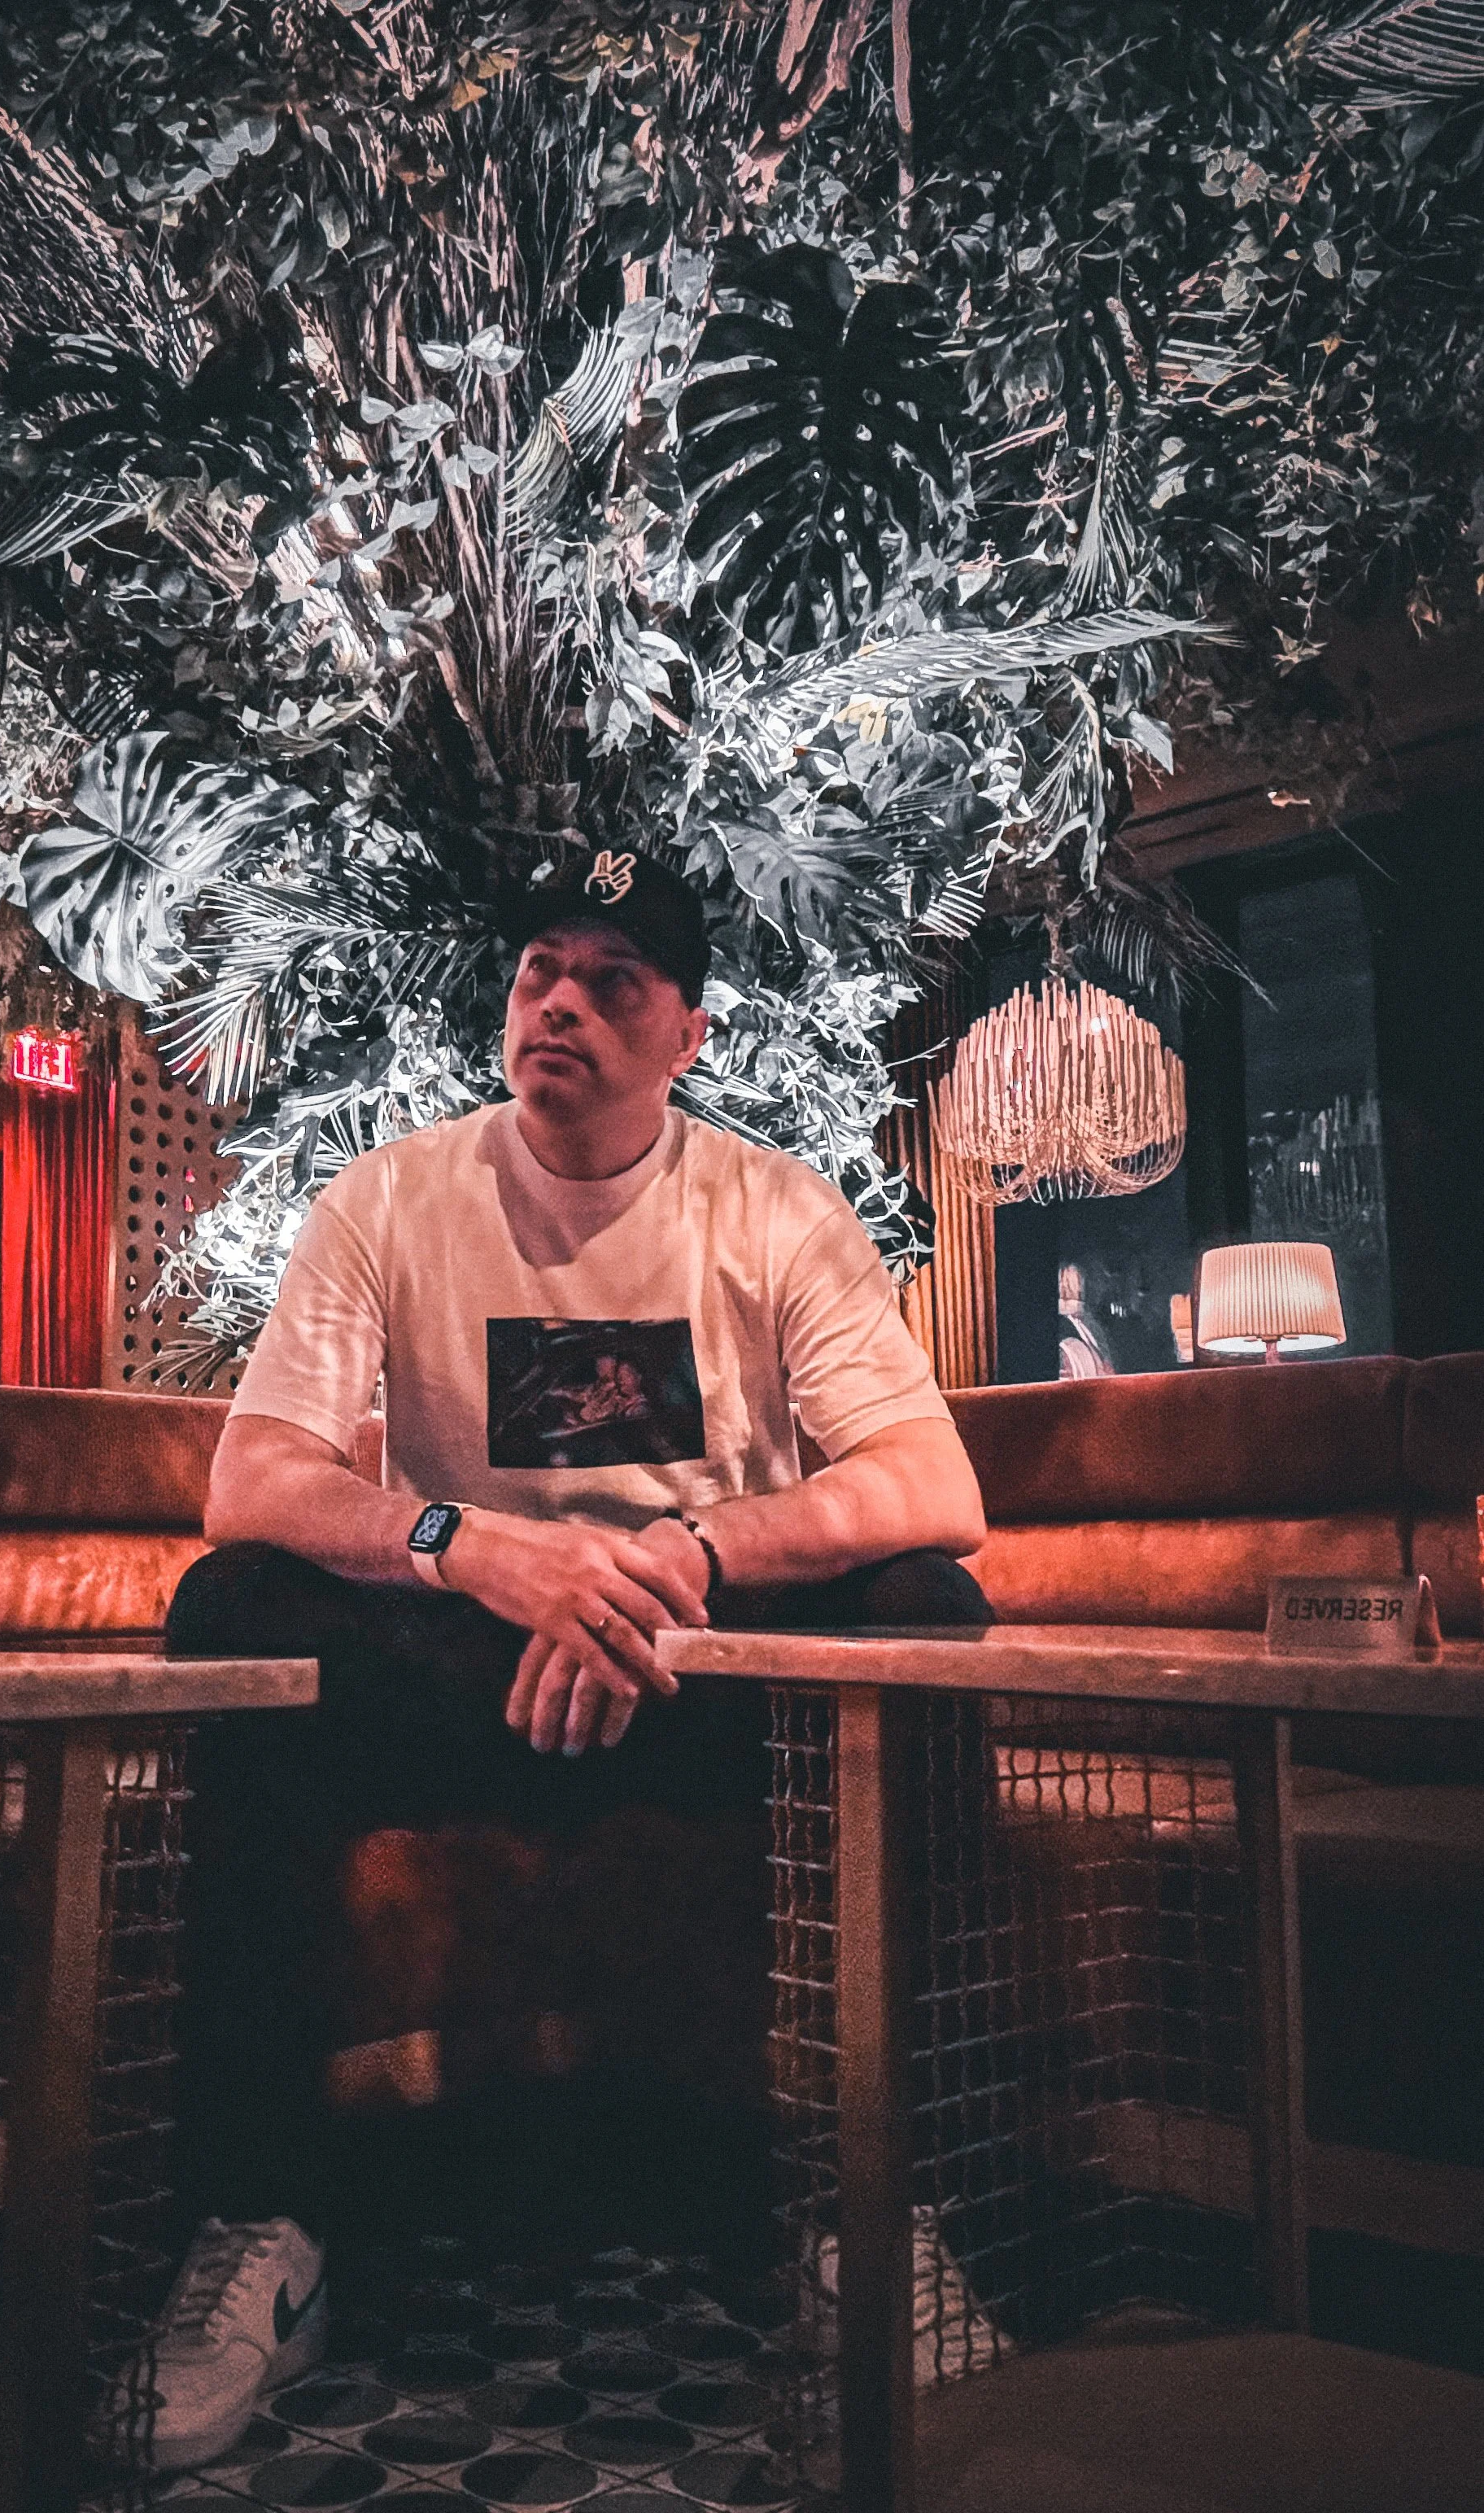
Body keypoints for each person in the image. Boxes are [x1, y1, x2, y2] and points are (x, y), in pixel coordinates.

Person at [133, 846, 991, 2470]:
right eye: (542, 970)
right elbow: (253, 1478)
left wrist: (683, 1561)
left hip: (703, 1677)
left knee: (930, 1608)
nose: (565, 1005)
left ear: (692, 1032)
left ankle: (892, 2217)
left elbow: (931, 1484)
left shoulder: (772, 1207)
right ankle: (263, 2225)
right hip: (462, 1670)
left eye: (616, 980)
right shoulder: (388, 1198)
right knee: (235, 1602)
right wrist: (479, 1549)